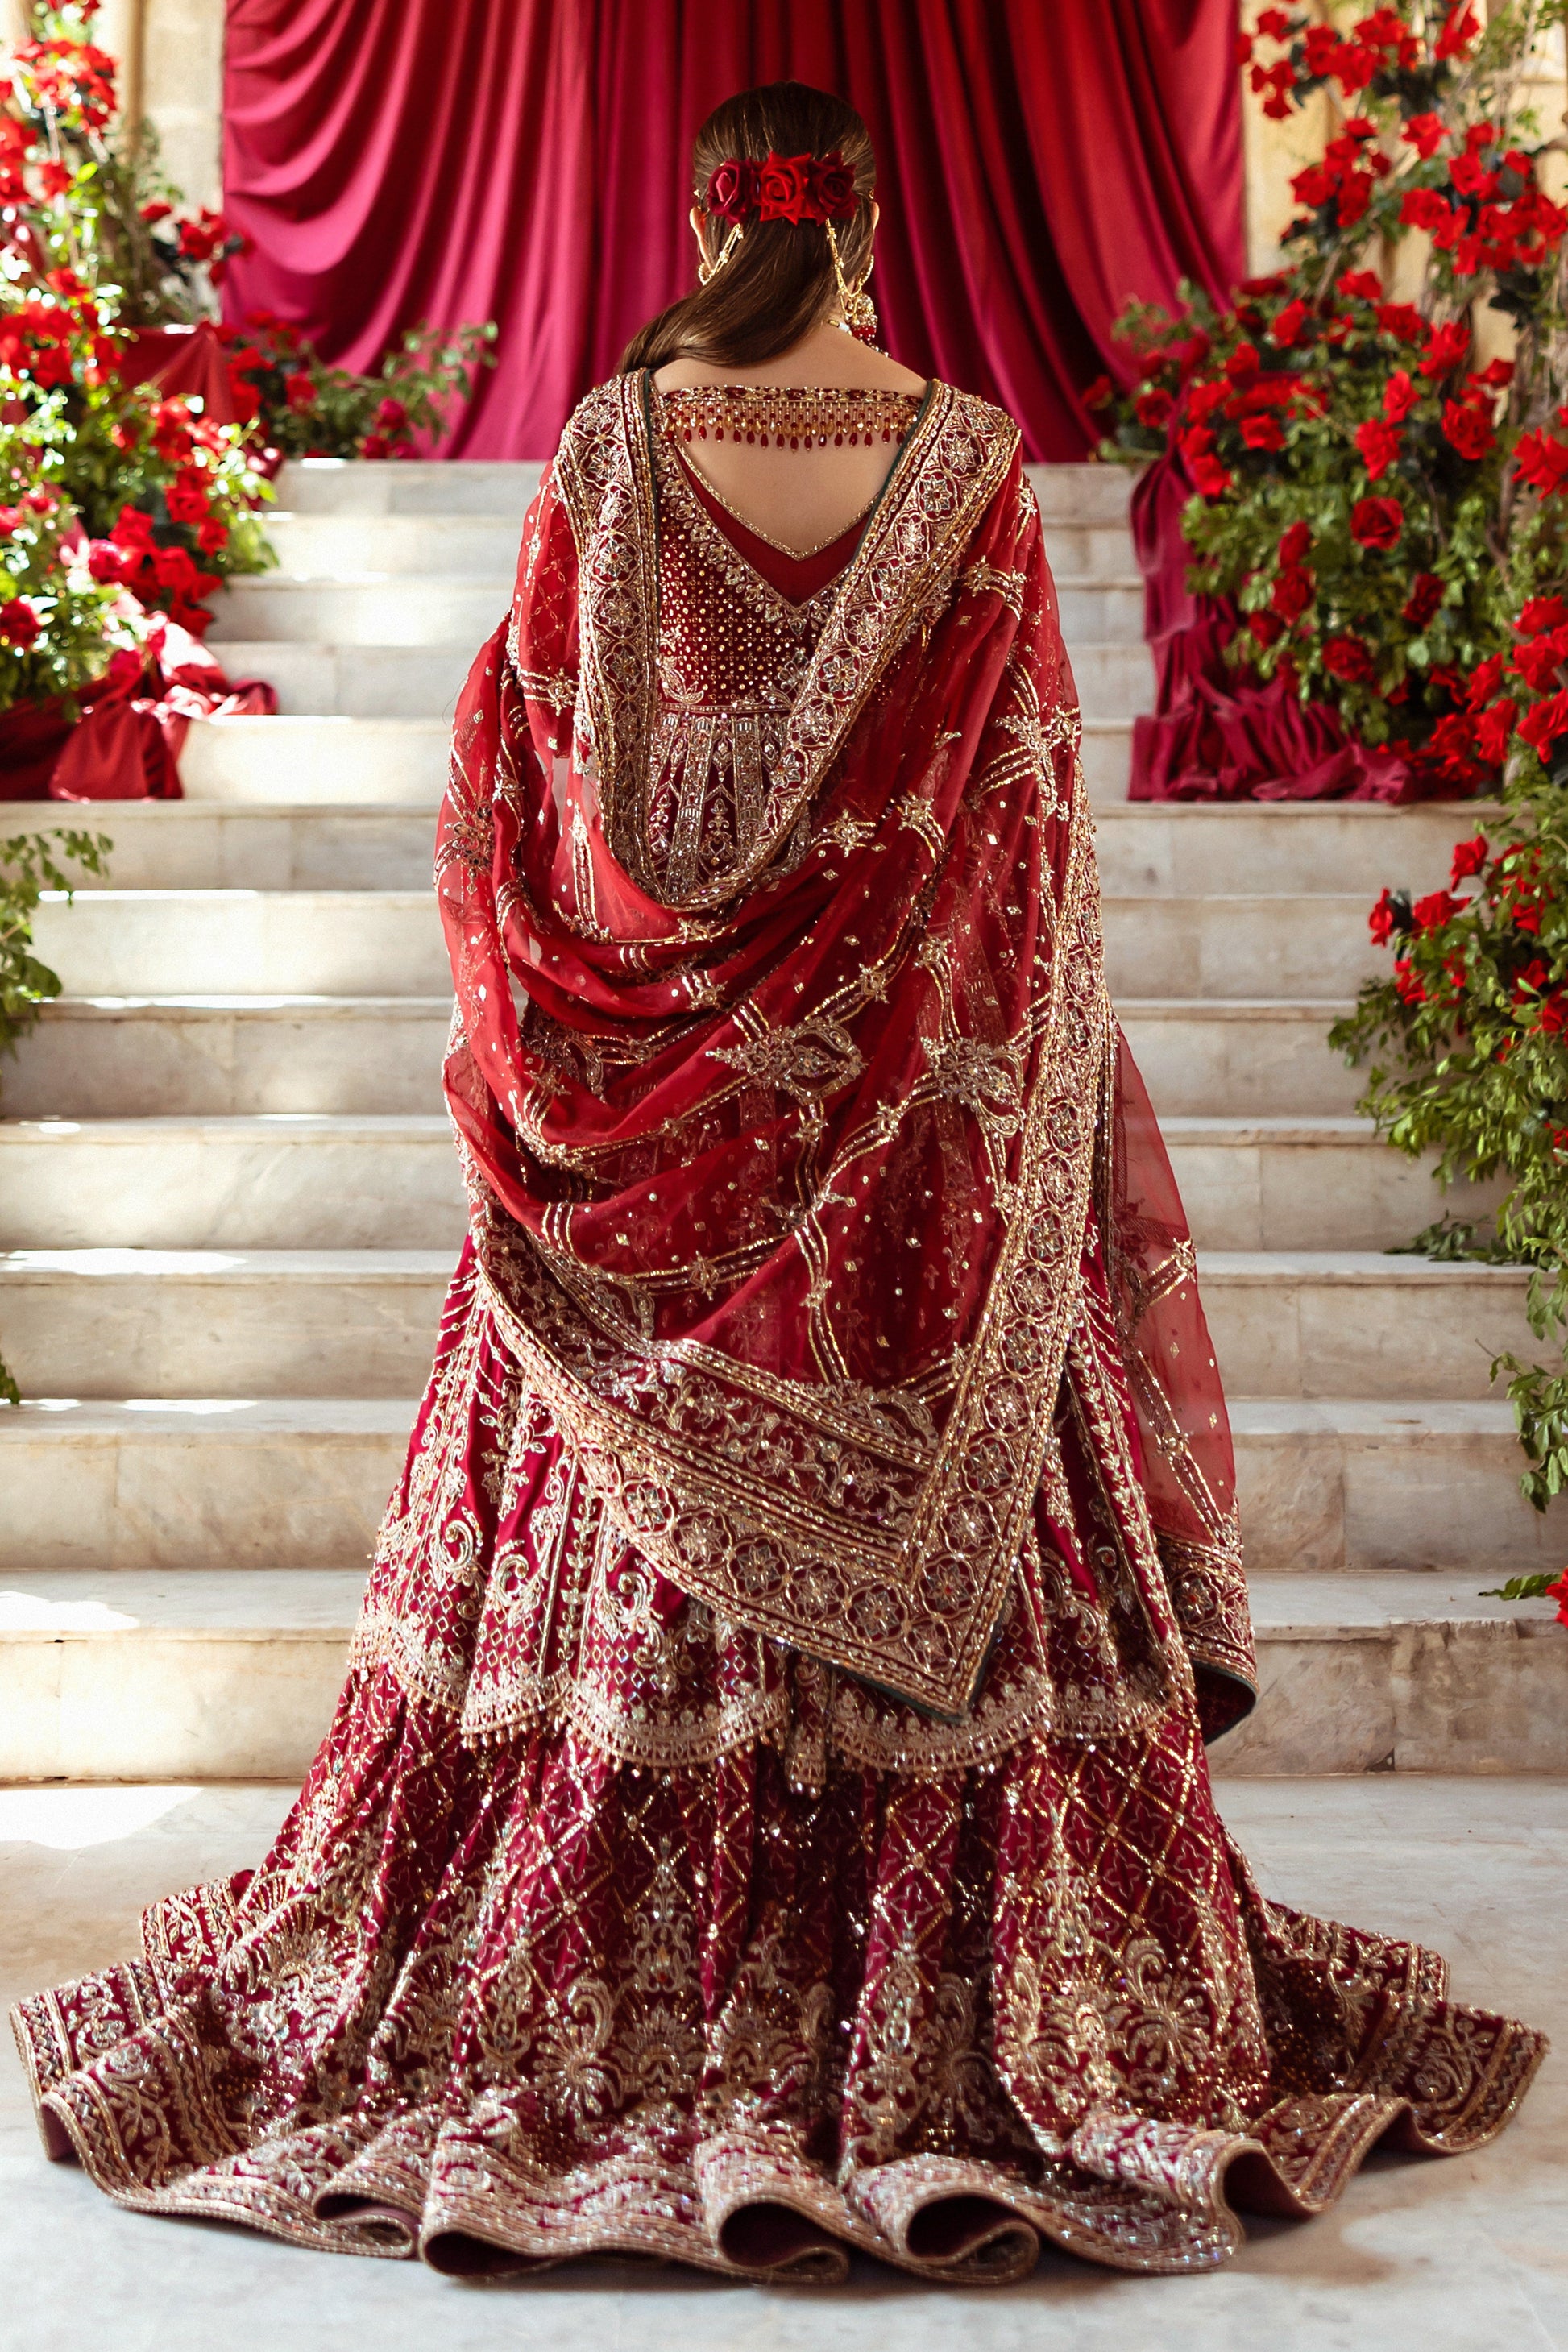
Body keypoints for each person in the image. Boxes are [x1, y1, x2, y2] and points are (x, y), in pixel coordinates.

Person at [11, 81, 1544, 2287]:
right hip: (912, 1163)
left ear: (710, 210)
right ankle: (980, 2023)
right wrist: (988, 1124)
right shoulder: (965, 464)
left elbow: (521, 774)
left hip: (624, 1148)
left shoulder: (619, 454)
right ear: (872, 223)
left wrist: (593, 1058)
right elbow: (1020, 839)